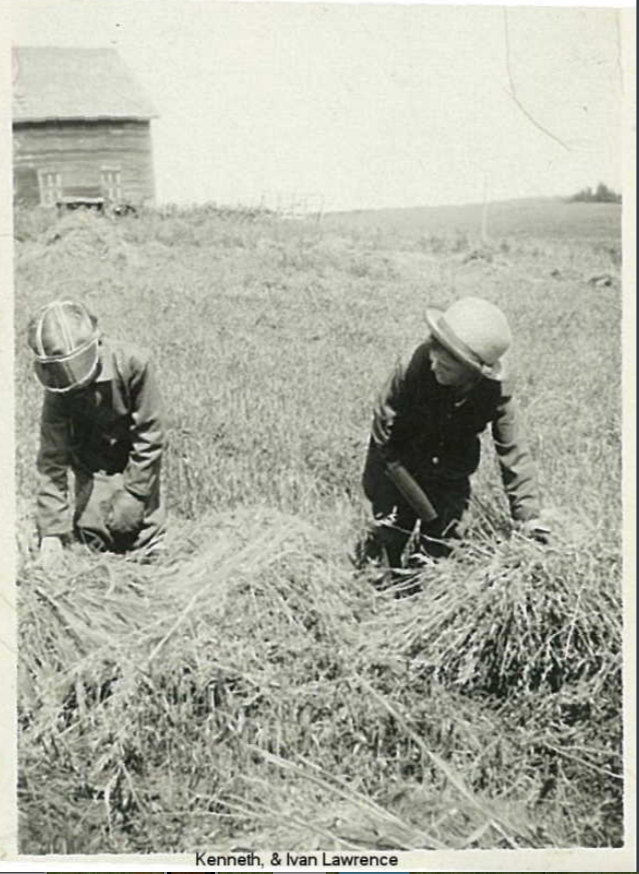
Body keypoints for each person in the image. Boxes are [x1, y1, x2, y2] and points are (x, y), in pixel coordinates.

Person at [356, 296, 549, 576]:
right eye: (434, 358)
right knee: (386, 539)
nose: (434, 367)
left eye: (446, 368)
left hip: (451, 470)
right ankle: (382, 586)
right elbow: (384, 444)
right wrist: (408, 507)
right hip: (399, 462)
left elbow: (515, 452)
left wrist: (529, 517)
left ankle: (422, 591)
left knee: (443, 554)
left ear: (473, 375)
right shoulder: (412, 368)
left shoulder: (495, 391)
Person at [28, 299, 166, 571]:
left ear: (96, 342)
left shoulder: (135, 363)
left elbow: (149, 436)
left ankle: (153, 542)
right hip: (91, 464)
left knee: (140, 533)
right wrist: (52, 532)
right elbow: (52, 457)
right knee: (95, 536)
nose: (71, 379)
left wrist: (135, 493)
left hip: (133, 459)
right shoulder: (58, 387)